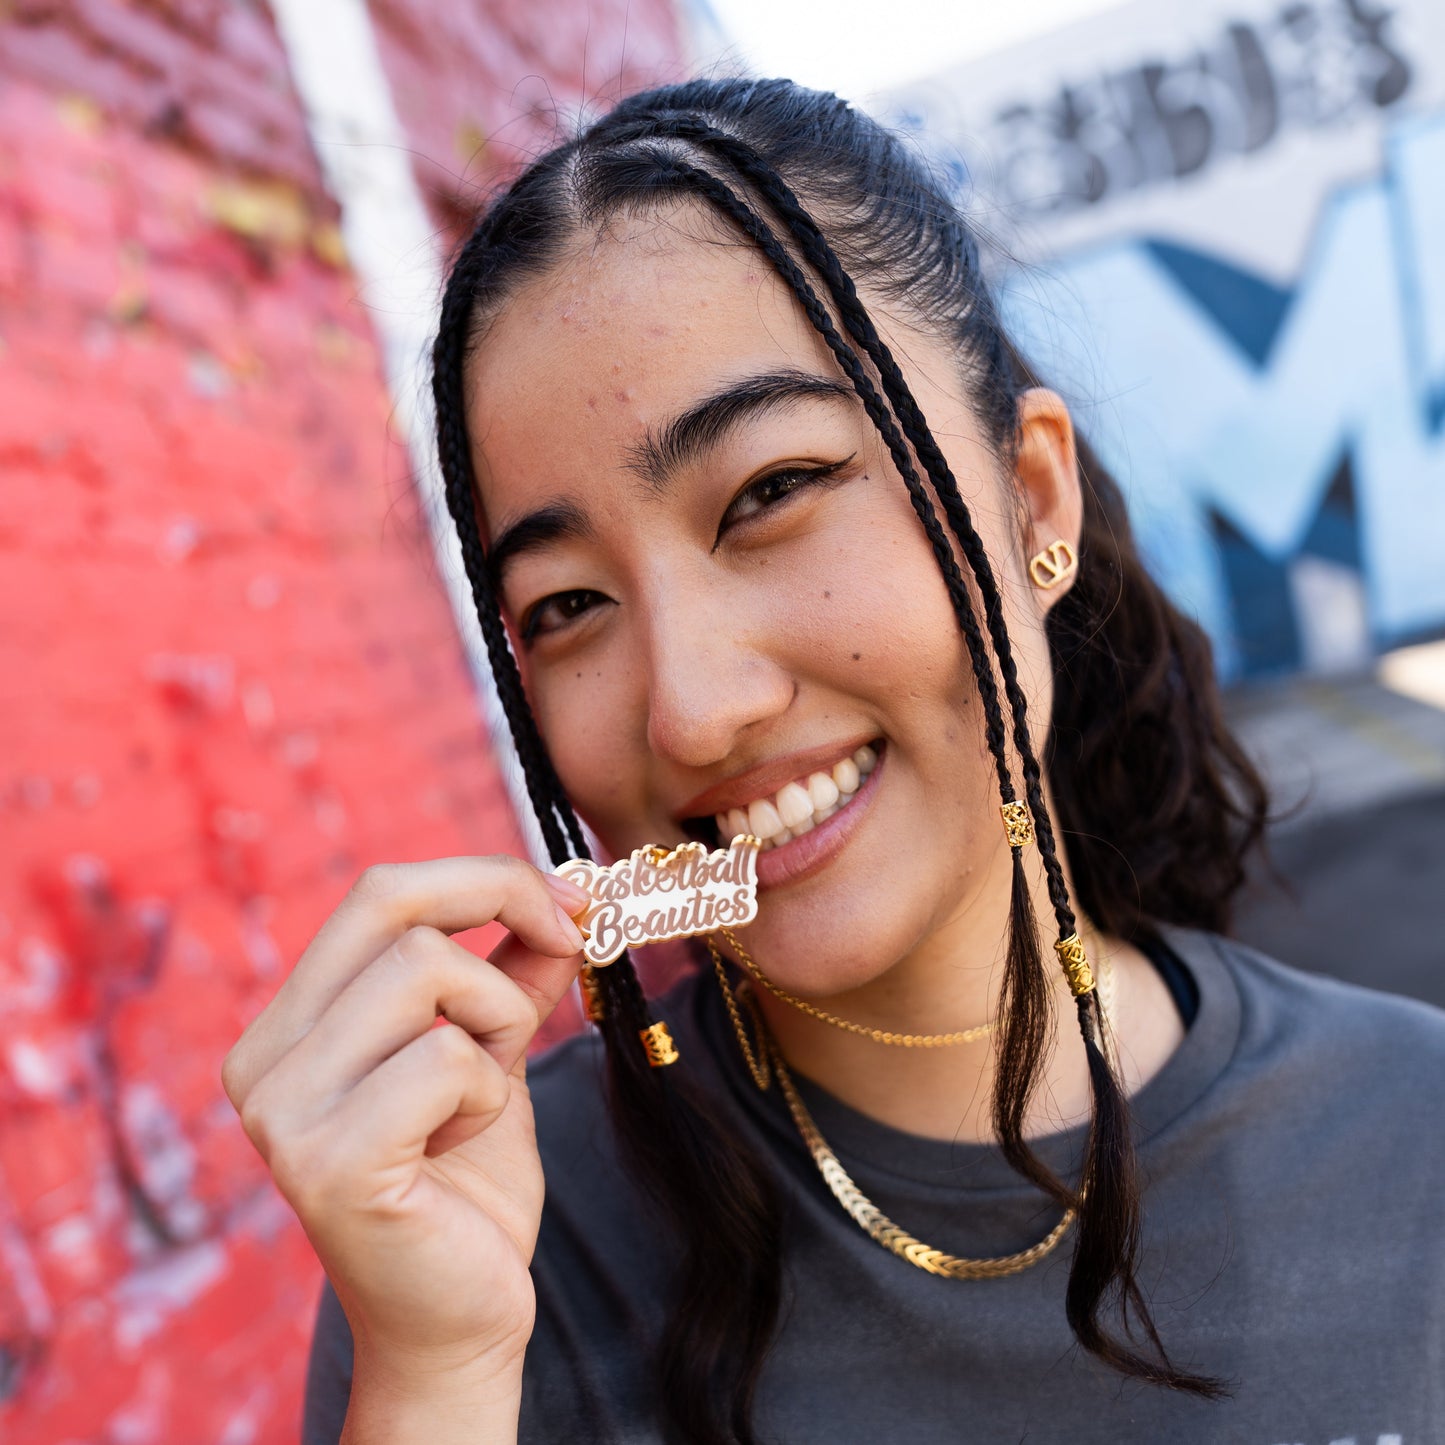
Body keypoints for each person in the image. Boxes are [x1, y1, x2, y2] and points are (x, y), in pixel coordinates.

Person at [222, 78, 1445, 1445]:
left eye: (770, 492)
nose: (689, 711)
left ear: (1029, 496)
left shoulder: (1416, 1136)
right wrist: (435, 1372)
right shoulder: (495, 1253)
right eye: (565, 605)